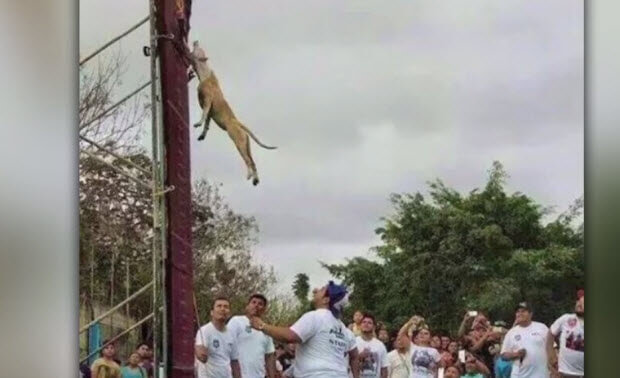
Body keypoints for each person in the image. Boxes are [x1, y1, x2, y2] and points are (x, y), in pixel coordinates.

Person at [249, 281, 360, 378]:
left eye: (321, 289)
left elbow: (290, 336)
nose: (316, 290)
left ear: (326, 300)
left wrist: (262, 326)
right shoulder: (342, 328)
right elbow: (354, 355)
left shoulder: (315, 316)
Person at [227, 293, 277, 378]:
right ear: (247, 306)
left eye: (260, 304)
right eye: (253, 302)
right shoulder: (236, 321)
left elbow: (269, 356)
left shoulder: (266, 329)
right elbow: (226, 345)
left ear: (264, 309)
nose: (256, 305)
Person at [500, 301, 554, 378]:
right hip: (519, 375)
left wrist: (554, 369)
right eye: (518, 312)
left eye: (523, 311)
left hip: (542, 375)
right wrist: (516, 354)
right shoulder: (511, 333)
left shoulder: (542, 328)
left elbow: (552, 348)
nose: (520, 314)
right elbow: (503, 356)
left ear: (531, 314)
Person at [195, 296, 242, 378]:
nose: (222, 309)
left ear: (229, 313)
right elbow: (201, 356)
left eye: (226, 307)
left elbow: (234, 361)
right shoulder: (204, 331)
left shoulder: (231, 333)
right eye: (219, 306)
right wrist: (200, 353)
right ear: (212, 312)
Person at [549, 291, 584, 378]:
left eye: (583, 302)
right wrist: (552, 357)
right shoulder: (566, 318)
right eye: (578, 300)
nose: (579, 303)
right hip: (563, 373)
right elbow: (550, 335)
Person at [356, 313, 389, 378]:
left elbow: (384, 369)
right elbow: (347, 363)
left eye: (369, 323)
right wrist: (359, 356)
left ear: (374, 327)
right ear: (360, 325)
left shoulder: (380, 345)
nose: (366, 324)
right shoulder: (353, 342)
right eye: (364, 322)